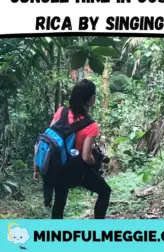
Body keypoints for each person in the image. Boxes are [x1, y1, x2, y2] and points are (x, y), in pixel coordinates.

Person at [34, 79, 111, 219]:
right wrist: (96, 161)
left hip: (56, 166)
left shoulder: (61, 111)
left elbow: (48, 136)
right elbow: (86, 157)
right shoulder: (91, 125)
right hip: (75, 172)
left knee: (60, 201)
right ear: (92, 98)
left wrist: (36, 166)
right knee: (105, 191)